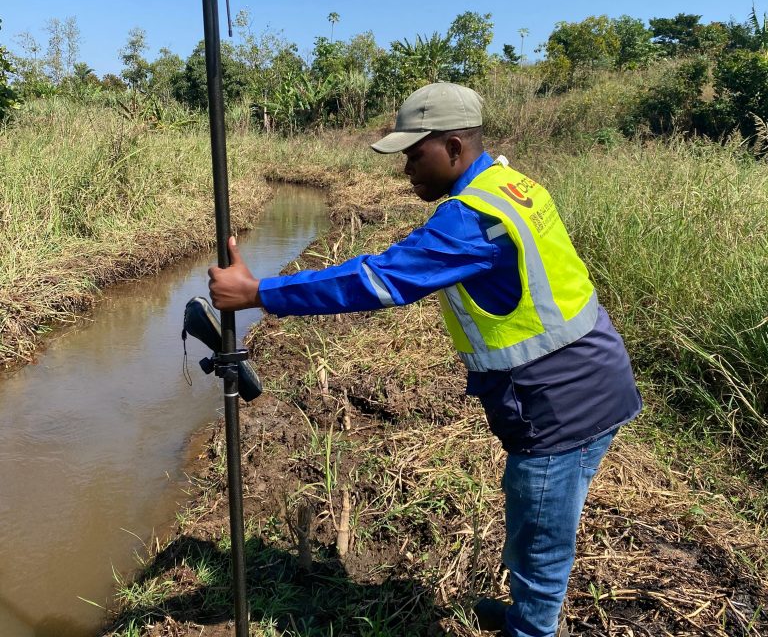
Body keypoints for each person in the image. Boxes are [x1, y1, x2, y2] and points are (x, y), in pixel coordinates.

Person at [208, 81, 642, 637]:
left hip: (562, 403)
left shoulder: (474, 220)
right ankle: (525, 614)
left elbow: (377, 280)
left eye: (416, 154)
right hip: (584, 380)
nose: (407, 168)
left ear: (455, 147)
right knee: (531, 516)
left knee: (541, 542)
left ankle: (530, 627)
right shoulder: (510, 185)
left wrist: (257, 293)